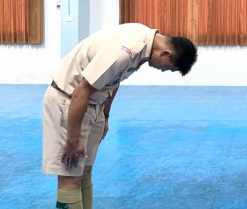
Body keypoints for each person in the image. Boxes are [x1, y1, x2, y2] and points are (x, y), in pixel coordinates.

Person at [42, 23, 197, 209]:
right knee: (70, 178)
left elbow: (114, 80)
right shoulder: (127, 50)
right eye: (168, 68)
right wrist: (72, 140)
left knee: (84, 172)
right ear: (166, 54)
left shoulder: (145, 43)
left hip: (94, 105)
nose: (163, 71)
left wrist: (105, 116)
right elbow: (80, 92)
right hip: (69, 102)